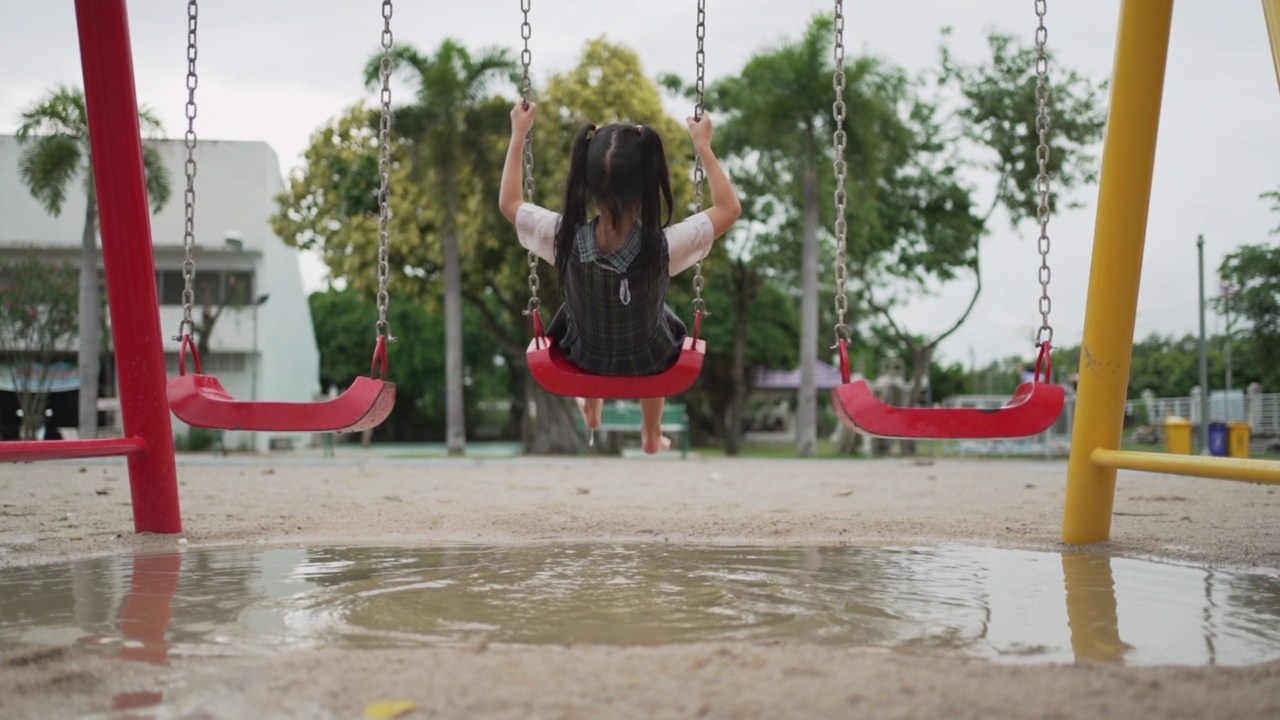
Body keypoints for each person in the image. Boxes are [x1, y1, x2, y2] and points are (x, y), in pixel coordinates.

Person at [500, 102, 741, 454]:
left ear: (585, 181)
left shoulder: (561, 237)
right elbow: (729, 209)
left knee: (590, 327)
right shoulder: (666, 245)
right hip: (650, 360)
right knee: (658, 334)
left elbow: (510, 202)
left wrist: (518, 133)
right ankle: (651, 433)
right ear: (648, 182)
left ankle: (592, 411)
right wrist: (703, 145)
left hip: (583, 356)